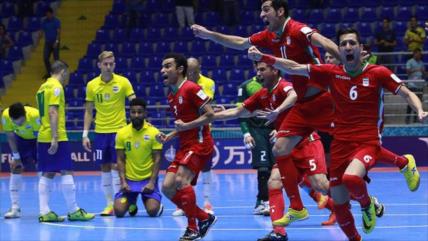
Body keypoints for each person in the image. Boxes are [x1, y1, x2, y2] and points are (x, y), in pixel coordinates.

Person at [248, 28, 425, 241]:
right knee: (340, 206)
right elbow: (294, 67)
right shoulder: (332, 73)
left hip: (367, 141)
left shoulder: (378, 73)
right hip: (341, 144)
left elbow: (406, 92)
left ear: (361, 49)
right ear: (340, 50)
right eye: (343, 44)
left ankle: (367, 204)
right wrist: (264, 57)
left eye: (352, 43)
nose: (348, 47)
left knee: (351, 178)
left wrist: (420, 110)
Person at [192, 0, 340, 223]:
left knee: (353, 144)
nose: (261, 14)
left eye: (266, 10)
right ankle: (297, 208)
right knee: (280, 149)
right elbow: (241, 42)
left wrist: (349, 62)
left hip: (325, 99)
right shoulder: (269, 37)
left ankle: (369, 198)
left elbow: (325, 42)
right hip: (304, 106)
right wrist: (210, 35)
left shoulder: (298, 29)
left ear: (280, 11)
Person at [157, 53, 217, 241]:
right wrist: (171, 135)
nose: (163, 70)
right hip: (185, 144)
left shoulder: (192, 88)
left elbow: (210, 115)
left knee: (181, 182)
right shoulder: (171, 95)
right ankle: (204, 217)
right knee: (167, 187)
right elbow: (183, 123)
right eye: (162, 66)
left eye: (167, 66)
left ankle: (192, 228)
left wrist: (186, 127)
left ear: (180, 69)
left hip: (200, 143)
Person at [36, 60, 95, 222]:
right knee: (67, 170)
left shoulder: (42, 88)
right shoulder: (56, 87)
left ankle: (44, 211)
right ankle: (73, 210)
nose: (67, 77)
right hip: (56, 135)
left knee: (47, 172)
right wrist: (55, 138)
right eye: (67, 73)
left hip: (43, 135)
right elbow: (53, 112)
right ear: (62, 71)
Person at [82, 51, 136, 216]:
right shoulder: (92, 85)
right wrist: (85, 134)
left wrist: (138, 124)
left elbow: (134, 103)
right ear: (99, 65)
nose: (108, 67)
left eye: (111, 63)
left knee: (119, 167)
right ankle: (110, 204)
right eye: (105, 64)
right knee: (104, 167)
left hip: (119, 131)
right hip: (100, 133)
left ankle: (128, 201)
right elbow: (89, 111)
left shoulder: (123, 82)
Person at [172, 57, 216, 216]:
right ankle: (184, 204)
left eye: (194, 71)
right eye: (189, 71)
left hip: (202, 132)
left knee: (206, 169)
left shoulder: (207, 83)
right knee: (185, 172)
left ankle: (207, 203)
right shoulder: (179, 87)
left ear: (200, 68)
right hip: (185, 134)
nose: (191, 74)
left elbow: (204, 107)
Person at [114, 98, 164, 218]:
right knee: (119, 212)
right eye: (133, 112)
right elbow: (120, 159)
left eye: (139, 112)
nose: (136, 115)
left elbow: (157, 159)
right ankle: (132, 201)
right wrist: (123, 182)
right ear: (129, 113)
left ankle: (154, 203)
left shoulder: (154, 133)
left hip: (147, 180)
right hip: (129, 182)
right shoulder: (121, 133)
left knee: (152, 211)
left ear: (145, 113)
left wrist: (152, 182)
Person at [237, 64, 273, 215]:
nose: (260, 71)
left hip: (274, 130)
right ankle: (263, 202)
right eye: (258, 68)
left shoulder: (276, 84)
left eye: (263, 68)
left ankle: (269, 201)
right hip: (257, 131)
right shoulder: (246, 86)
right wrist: (246, 133)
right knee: (263, 168)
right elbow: (240, 112)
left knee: (276, 169)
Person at [2, 103, 40, 218]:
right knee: (15, 167)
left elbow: (40, 137)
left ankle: (44, 209)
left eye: (20, 121)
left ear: (25, 115)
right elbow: (10, 136)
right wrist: (16, 157)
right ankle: (15, 207)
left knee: (43, 169)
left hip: (38, 140)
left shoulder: (35, 116)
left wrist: (39, 156)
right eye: (15, 121)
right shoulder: (5, 116)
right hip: (21, 140)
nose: (17, 123)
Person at [405, 48, 426, 123]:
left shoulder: (421, 62)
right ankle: (407, 121)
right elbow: (407, 72)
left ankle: (415, 120)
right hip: (412, 85)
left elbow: (424, 73)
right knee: (411, 104)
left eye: (420, 54)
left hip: (420, 86)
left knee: (418, 104)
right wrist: (416, 69)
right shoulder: (410, 62)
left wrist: (423, 72)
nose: (419, 55)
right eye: (418, 54)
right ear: (414, 54)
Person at [40, 7, 61, 75]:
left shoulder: (56, 21)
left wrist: (57, 41)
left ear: (52, 14)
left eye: (48, 14)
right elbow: (42, 31)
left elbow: (58, 32)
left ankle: (57, 72)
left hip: (55, 42)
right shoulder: (44, 21)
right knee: (45, 57)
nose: (47, 16)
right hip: (48, 42)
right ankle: (49, 72)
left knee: (56, 59)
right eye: (46, 14)